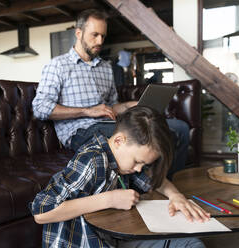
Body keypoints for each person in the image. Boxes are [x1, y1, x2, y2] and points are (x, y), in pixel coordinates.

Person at [32, 9, 189, 179]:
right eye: (95, 35)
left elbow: (111, 106)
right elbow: (40, 108)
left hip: (108, 124)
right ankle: (156, 187)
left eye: (103, 36)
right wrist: (87, 111)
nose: (100, 41)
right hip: (80, 131)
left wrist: (132, 105)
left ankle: (171, 182)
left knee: (179, 128)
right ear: (78, 33)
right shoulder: (57, 65)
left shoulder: (106, 67)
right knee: (139, 137)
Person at [30, 106, 209, 248]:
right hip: (84, 243)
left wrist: (176, 196)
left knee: (191, 243)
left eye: (144, 164)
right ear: (118, 141)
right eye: (138, 161)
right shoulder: (92, 160)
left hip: (114, 240)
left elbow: (155, 180)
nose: (139, 169)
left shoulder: (124, 162)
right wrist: (109, 199)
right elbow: (42, 212)